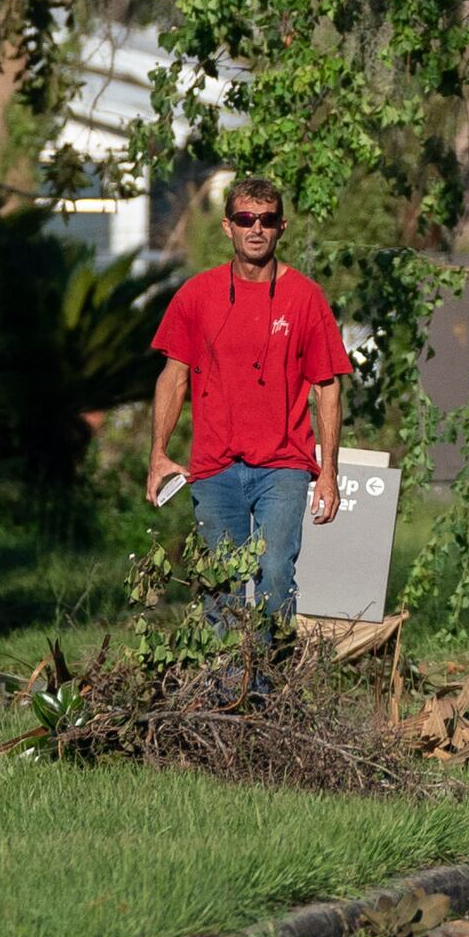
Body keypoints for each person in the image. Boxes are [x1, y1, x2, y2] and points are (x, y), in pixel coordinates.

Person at [146, 172, 346, 625]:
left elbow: (327, 386)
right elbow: (173, 377)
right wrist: (158, 453)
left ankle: (270, 689)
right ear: (228, 226)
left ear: (281, 227)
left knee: (275, 575)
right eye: (246, 218)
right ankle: (227, 693)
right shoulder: (196, 295)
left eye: (267, 219)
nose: (256, 228)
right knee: (221, 588)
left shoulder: (305, 298)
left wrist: (329, 471)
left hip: (284, 465)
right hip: (214, 467)